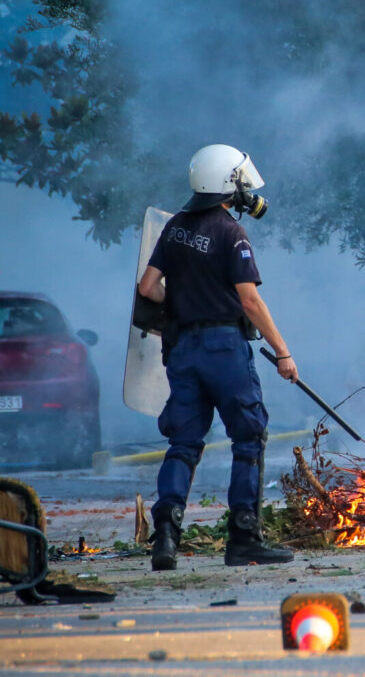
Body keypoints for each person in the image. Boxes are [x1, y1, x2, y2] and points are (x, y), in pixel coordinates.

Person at [138, 144, 298, 571]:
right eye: (241, 182)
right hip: (223, 349)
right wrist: (282, 351)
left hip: (182, 349)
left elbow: (148, 287)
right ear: (228, 184)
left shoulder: (173, 228)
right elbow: (249, 301)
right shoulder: (232, 233)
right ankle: (244, 538)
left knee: (184, 442)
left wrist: (185, 304)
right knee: (248, 437)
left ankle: (166, 540)